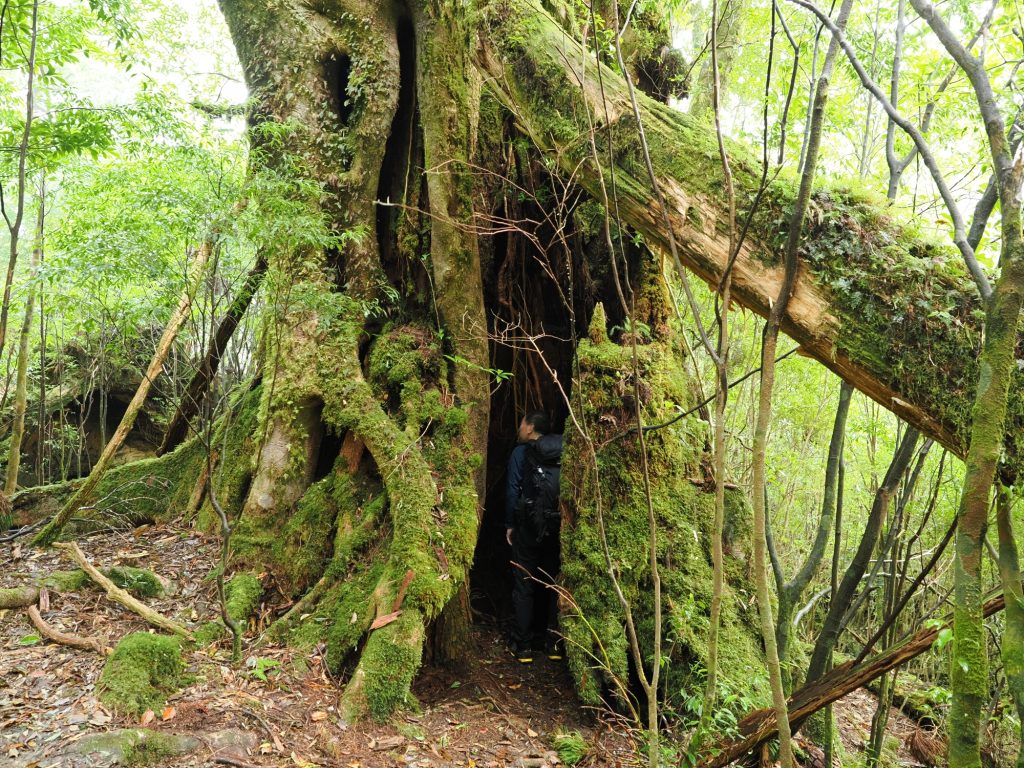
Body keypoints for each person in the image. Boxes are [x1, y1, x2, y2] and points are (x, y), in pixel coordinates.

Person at [505, 410, 563, 664]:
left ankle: (523, 645)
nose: (519, 427)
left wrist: (510, 524)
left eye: (521, 422)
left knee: (524, 581)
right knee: (554, 582)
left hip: (528, 527)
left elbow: (512, 489)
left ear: (529, 428)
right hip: (556, 525)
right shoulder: (563, 451)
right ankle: (553, 643)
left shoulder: (520, 453)